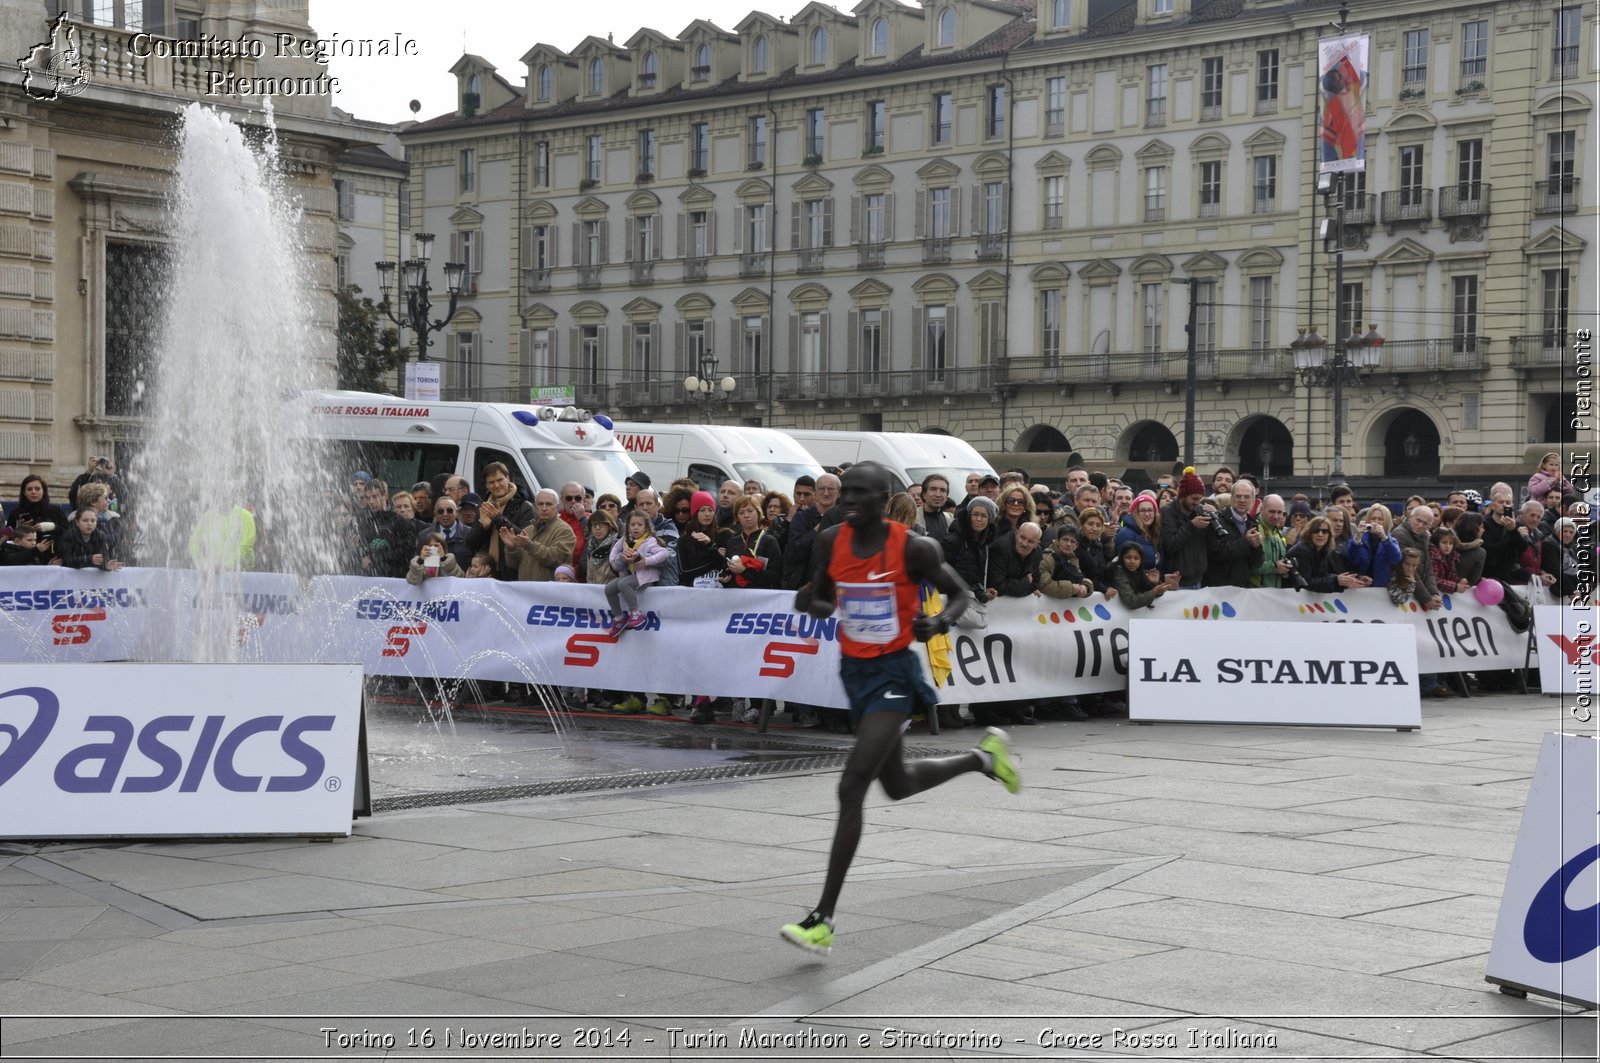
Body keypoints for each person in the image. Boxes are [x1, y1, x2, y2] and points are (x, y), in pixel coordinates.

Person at [778, 462, 1019, 957]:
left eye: (862, 493)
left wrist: (939, 623)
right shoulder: (830, 542)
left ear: (884, 498)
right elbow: (822, 598)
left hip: (894, 674)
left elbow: (959, 594)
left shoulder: (913, 546)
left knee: (852, 783)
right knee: (898, 783)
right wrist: (811, 602)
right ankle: (983, 759)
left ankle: (822, 918)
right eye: (846, 492)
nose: (850, 500)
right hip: (856, 672)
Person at [603, 510, 674, 637]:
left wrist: (646, 561)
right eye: (632, 525)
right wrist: (614, 562)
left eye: (639, 525)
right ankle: (619, 619)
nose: (636, 527)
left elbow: (664, 553)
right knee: (609, 589)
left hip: (647, 576)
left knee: (624, 584)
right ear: (628, 527)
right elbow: (615, 550)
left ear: (646, 527)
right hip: (632, 574)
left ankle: (635, 613)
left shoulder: (650, 540)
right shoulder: (625, 539)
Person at [498, 488, 576, 582]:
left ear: (556, 506)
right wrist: (512, 548)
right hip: (526, 589)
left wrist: (530, 545)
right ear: (535, 506)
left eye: (548, 504)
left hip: (550, 591)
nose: (544, 508)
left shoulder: (564, 530)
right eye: (540, 504)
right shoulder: (528, 530)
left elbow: (557, 559)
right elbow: (513, 565)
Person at [1160, 468, 1211, 588]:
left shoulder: (1198, 510)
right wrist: (1192, 526)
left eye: (1200, 499)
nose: (1197, 503)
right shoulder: (1166, 513)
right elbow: (1170, 545)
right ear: (1183, 496)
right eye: (1194, 499)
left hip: (1198, 579)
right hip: (1178, 582)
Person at [1206, 479, 1262, 588]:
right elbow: (1214, 553)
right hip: (1218, 588)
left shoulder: (1253, 523)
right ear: (1231, 498)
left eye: (1246, 497)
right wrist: (1246, 542)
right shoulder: (1217, 520)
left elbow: (1256, 564)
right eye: (1238, 496)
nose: (1242, 500)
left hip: (1242, 588)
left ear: (1253, 500)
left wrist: (1256, 548)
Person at [1285, 516, 1364, 592]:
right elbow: (1306, 583)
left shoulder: (1324, 549)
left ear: (1329, 535)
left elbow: (1322, 576)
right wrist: (1336, 580)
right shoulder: (1302, 550)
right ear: (1309, 533)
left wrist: (1347, 580)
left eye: (1325, 531)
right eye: (1316, 531)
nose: (1320, 534)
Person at [721, 495, 782, 590]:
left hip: (759, 598)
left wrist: (744, 571)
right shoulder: (732, 541)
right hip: (735, 597)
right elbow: (726, 568)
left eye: (750, 511)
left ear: (758, 513)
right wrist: (725, 577)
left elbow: (775, 575)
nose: (746, 515)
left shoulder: (769, 541)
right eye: (741, 513)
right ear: (737, 517)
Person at [1108, 540, 1177, 610]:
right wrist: (1154, 591)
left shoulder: (1139, 572)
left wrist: (1155, 583)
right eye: (1128, 557)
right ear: (1121, 558)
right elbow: (1131, 602)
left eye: (1136, 558)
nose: (1132, 561)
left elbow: (1155, 594)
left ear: (1141, 560)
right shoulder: (1118, 573)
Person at [678, 490, 727, 587]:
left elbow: (724, 565)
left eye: (710, 510)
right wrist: (713, 560)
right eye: (702, 510)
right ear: (695, 513)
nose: (707, 514)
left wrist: (710, 545)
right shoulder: (683, 540)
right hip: (694, 591)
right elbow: (684, 572)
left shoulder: (725, 534)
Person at [1347, 506, 1402, 586]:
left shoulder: (1391, 541)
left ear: (1386, 521)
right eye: (1373, 518)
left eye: (1380, 519)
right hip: (1360, 585)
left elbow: (1395, 559)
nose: (1376, 522)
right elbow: (1352, 560)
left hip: (1381, 588)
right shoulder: (1359, 538)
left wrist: (1384, 538)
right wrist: (1357, 537)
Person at [10, 475, 68, 551]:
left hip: (53, 554)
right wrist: (20, 529)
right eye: (29, 489)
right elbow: (9, 538)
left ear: (43, 491)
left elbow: (68, 533)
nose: (33, 492)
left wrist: (53, 527)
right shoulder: (16, 513)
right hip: (26, 557)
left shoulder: (55, 510)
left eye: (37, 489)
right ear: (24, 492)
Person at [59, 506, 123, 571]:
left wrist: (106, 566)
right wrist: (89, 559)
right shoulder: (68, 536)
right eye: (85, 520)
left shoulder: (101, 536)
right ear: (77, 522)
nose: (89, 524)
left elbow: (103, 559)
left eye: (93, 521)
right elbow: (66, 560)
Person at [913, 474, 952, 539]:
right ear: (924, 494)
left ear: (946, 496)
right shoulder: (912, 517)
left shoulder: (950, 519)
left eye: (943, 490)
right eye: (933, 489)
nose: (938, 494)